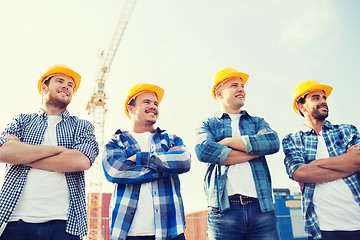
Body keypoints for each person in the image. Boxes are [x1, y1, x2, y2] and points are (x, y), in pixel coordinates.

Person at [0, 65, 99, 239]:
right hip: (15, 221)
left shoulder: (82, 126)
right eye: (60, 81)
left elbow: (81, 161)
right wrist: (59, 150)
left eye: (70, 85)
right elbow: (4, 152)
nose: (66, 86)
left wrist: (22, 154)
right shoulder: (22, 120)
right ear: (44, 88)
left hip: (65, 223)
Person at [195, 67, 280, 240]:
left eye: (242, 86)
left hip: (262, 209)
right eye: (234, 85)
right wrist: (256, 151)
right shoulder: (208, 124)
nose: (241, 89)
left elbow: (273, 142)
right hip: (223, 211)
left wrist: (225, 143)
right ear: (219, 93)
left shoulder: (257, 121)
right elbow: (203, 150)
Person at [102, 83, 191, 240]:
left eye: (155, 103)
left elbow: (184, 161)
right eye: (146, 102)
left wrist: (139, 158)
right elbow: (115, 171)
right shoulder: (117, 141)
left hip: (171, 231)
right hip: (128, 232)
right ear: (130, 108)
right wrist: (166, 166)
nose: (153, 107)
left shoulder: (171, 139)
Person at [283, 79, 360, 240]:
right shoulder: (293, 140)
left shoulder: (346, 130)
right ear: (302, 106)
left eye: (324, 98)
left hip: (356, 220)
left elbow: (357, 160)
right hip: (322, 228)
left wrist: (315, 164)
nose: (323, 101)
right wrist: (346, 162)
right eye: (316, 98)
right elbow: (299, 173)